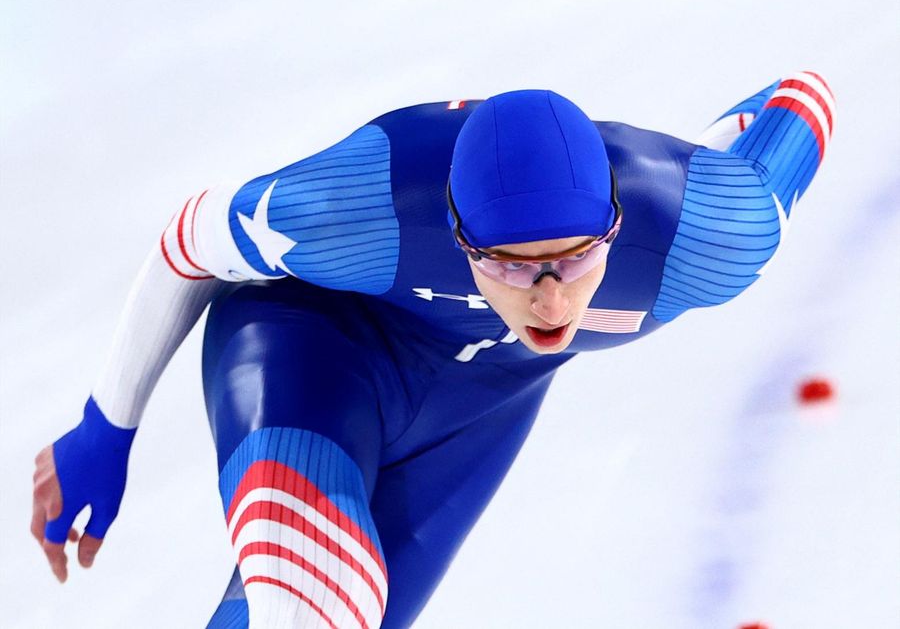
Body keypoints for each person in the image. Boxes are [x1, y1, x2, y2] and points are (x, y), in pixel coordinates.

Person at [31, 73, 835, 629]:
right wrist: (106, 428)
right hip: (310, 348)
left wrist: (703, 156)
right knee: (313, 603)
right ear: (457, 237)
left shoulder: (707, 232)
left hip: (480, 406)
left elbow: (800, 98)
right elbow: (191, 242)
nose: (551, 298)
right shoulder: (365, 205)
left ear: (618, 224)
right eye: (511, 267)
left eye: (579, 258)